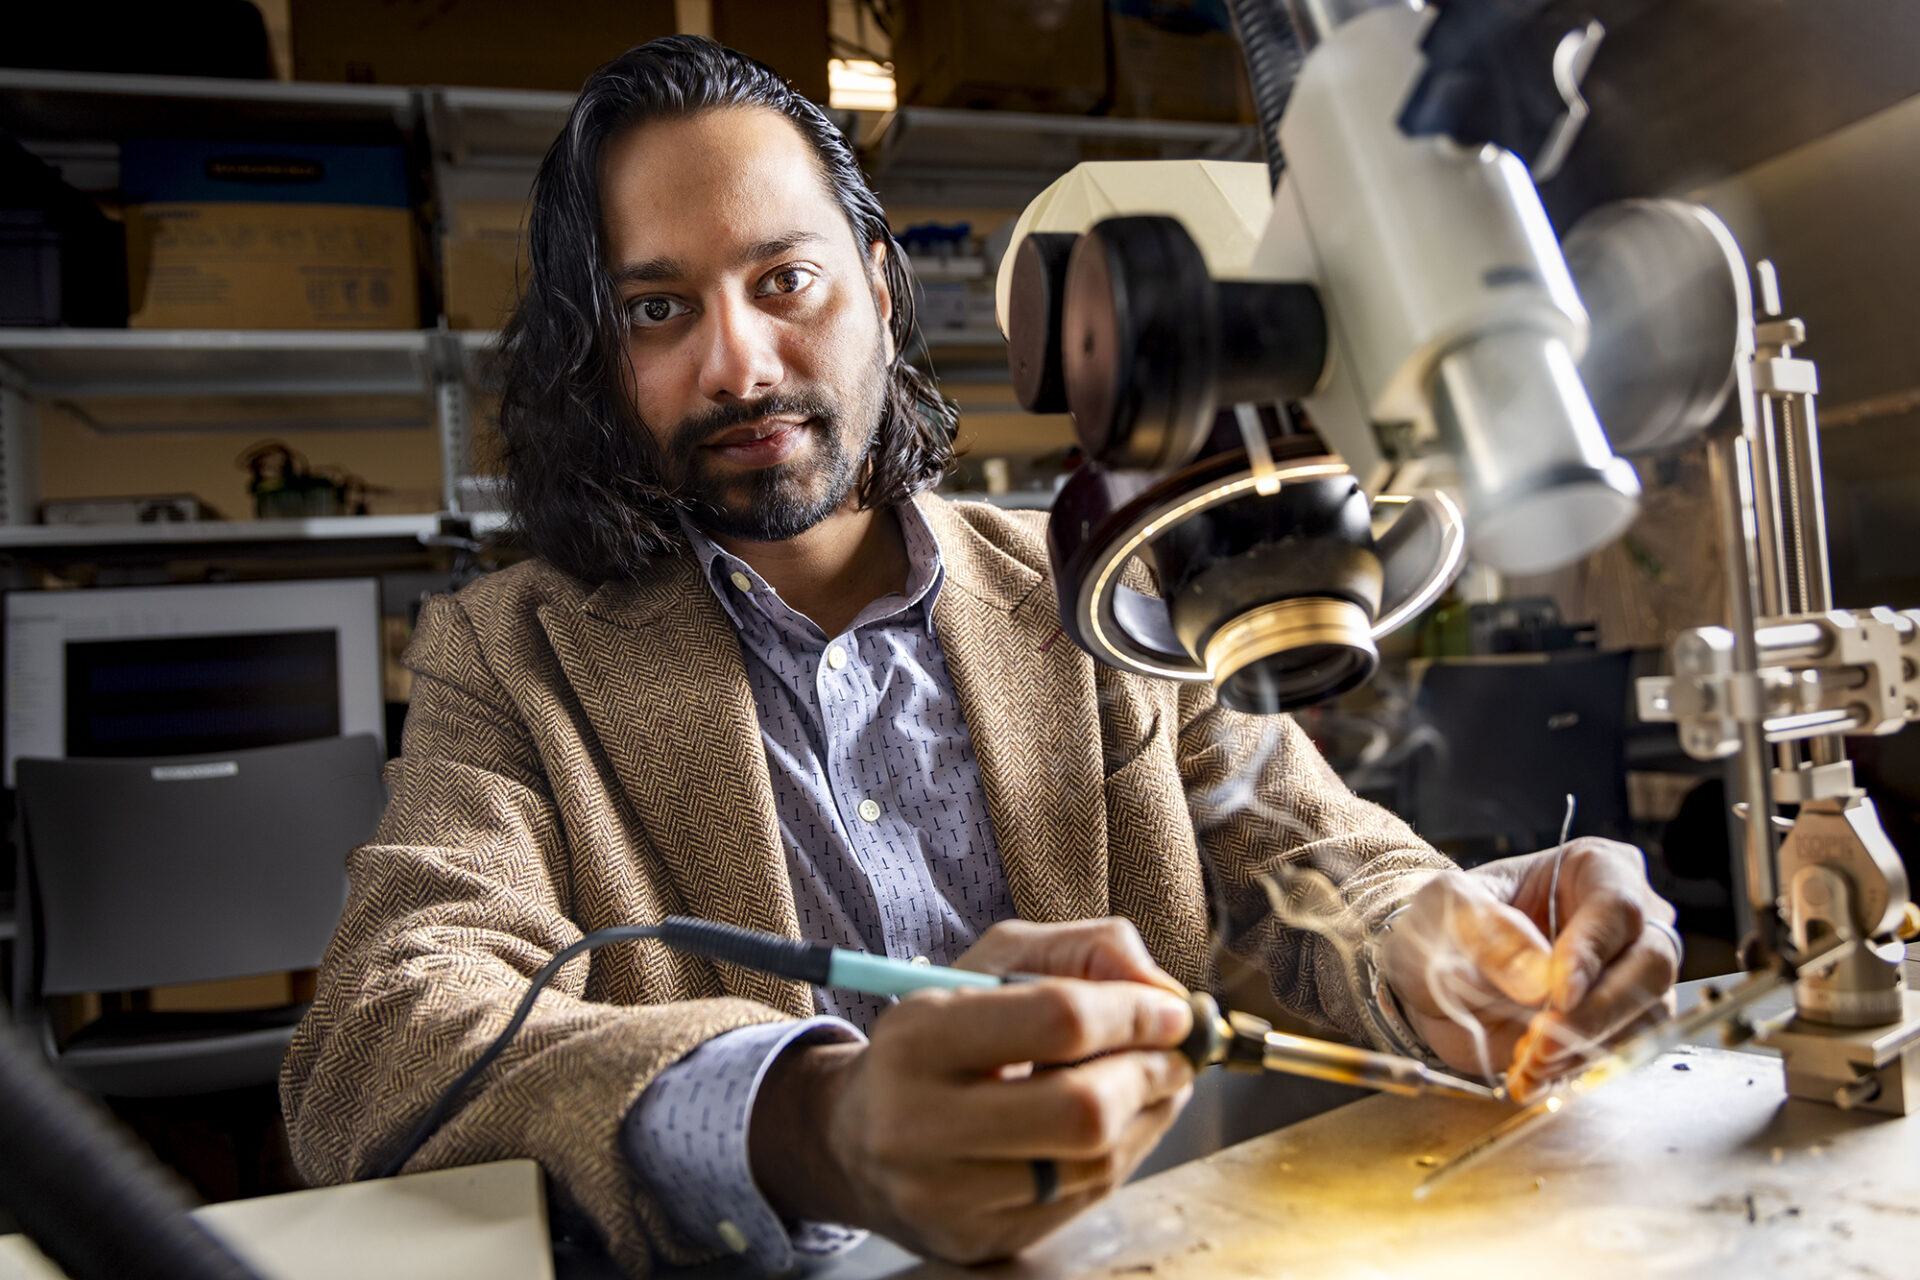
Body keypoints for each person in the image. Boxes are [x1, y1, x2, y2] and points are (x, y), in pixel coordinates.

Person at [281, 35, 1683, 1276]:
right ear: (603, 353)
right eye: (659, 309)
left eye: (788, 280)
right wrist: (812, 1120)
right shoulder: (510, 656)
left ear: (883, 290)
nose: (741, 365)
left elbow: (1317, 866)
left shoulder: (1106, 590)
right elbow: (382, 1047)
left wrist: (1454, 941)